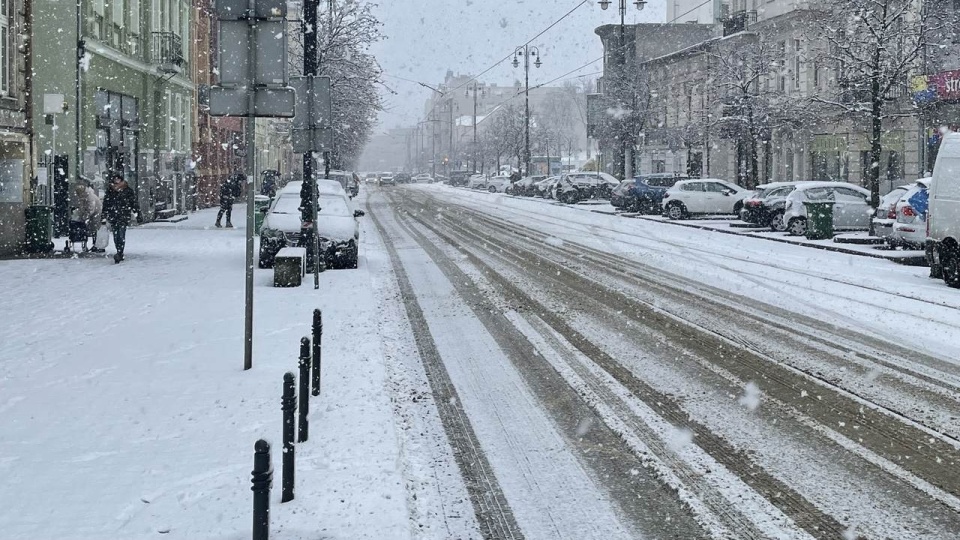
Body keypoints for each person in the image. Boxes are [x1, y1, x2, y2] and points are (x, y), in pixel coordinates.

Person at [102, 174, 138, 263]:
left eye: (118, 179)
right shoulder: (110, 191)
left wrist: (137, 213)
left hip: (123, 216)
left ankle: (120, 252)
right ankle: (118, 250)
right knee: (115, 235)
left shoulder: (127, 190)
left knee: (121, 234)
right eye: (115, 179)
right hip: (113, 216)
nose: (116, 180)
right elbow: (106, 204)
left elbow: (133, 202)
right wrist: (104, 215)